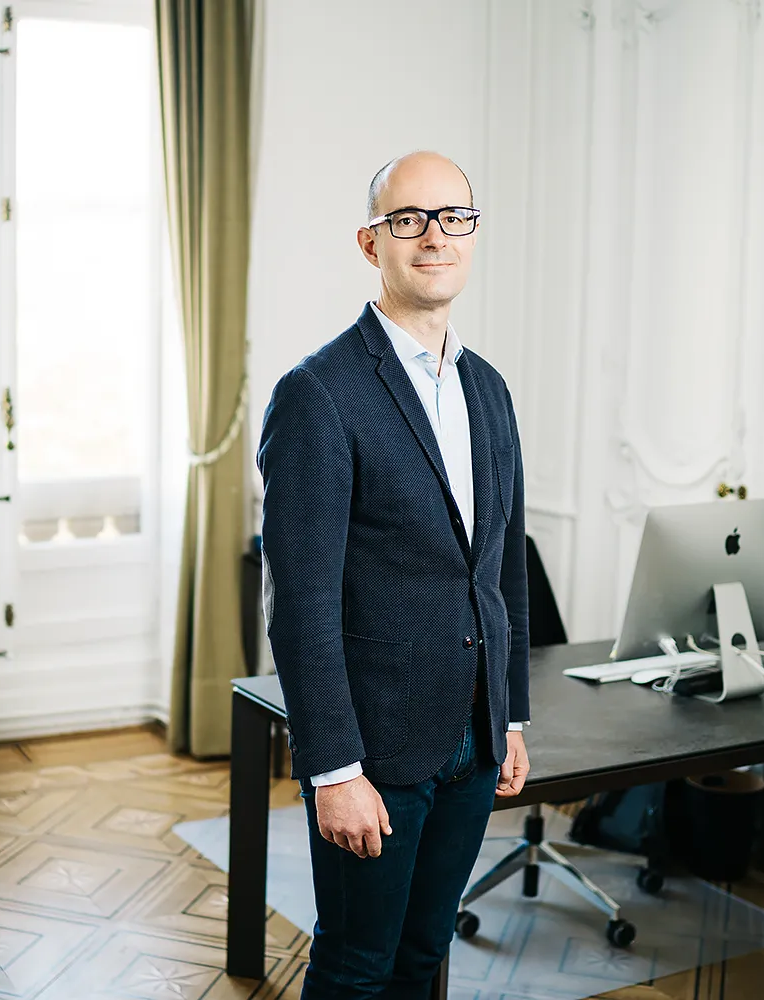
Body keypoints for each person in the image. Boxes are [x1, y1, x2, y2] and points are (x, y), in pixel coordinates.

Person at [257, 150, 532, 999]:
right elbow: (300, 605)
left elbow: (503, 567)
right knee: (357, 963)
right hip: (373, 751)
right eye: (408, 220)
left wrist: (510, 715)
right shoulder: (319, 393)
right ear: (371, 243)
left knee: (424, 955)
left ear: (473, 234)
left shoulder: (489, 389)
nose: (434, 237)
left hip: (473, 740)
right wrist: (333, 770)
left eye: (453, 218)